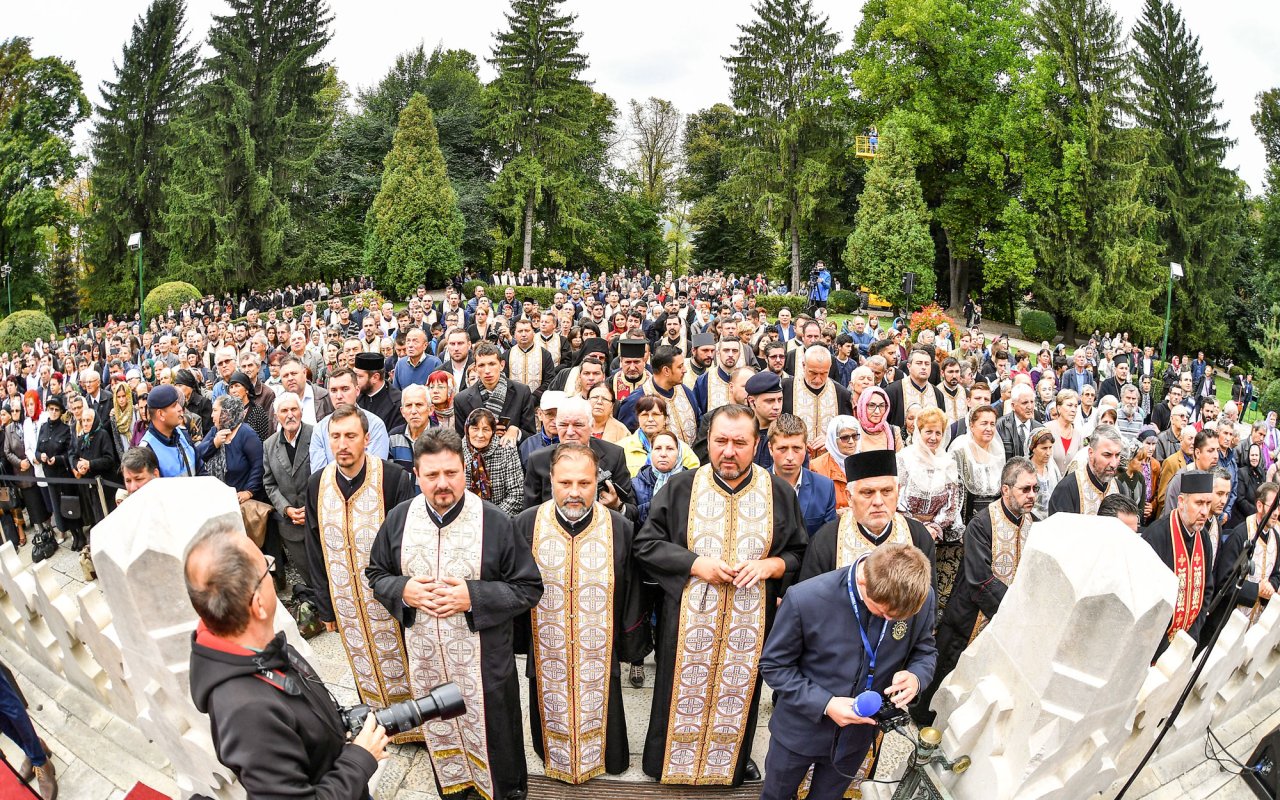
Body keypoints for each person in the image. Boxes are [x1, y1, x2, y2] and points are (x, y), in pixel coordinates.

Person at [634, 404, 808, 786]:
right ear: (707, 441)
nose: (729, 452)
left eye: (739, 443)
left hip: (751, 620)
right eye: (720, 441)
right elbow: (646, 545)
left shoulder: (778, 491)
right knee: (676, 690)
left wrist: (771, 567)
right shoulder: (682, 488)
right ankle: (668, 760)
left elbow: (799, 553)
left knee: (740, 691)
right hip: (688, 619)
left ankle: (733, 761)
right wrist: (695, 564)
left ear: (757, 444)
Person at [365, 427, 542, 800]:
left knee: (498, 750)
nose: (442, 484)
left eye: (451, 473)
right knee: (442, 739)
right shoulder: (399, 519)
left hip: (486, 667)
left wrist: (473, 596)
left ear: (465, 470)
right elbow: (376, 574)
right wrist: (403, 589)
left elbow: (528, 588)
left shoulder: (494, 522)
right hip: (427, 661)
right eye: (431, 475)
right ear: (417, 476)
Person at [186, 519, 388, 798]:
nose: (272, 575)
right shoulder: (246, 713)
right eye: (268, 570)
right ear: (257, 604)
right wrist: (360, 758)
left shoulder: (258, 649)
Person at [759, 543, 936, 800]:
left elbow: (925, 651)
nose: (889, 620)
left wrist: (916, 678)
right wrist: (826, 703)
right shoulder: (804, 598)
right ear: (864, 582)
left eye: (898, 618)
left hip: (857, 738)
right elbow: (774, 666)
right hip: (799, 732)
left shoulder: (924, 596)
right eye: (883, 612)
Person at [512, 442, 644, 783]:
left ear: (596, 483)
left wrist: (629, 645)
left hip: (598, 647)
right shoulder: (527, 523)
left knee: (605, 713)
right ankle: (551, 754)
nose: (574, 492)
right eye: (565, 483)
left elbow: (631, 588)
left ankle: (605, 756)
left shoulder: (619, 527)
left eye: (584, 484)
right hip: (547, 645)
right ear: (551, 480)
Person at [304, 405, 417, 732]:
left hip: (391, 600)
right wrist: (325, 606)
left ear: (366, 439)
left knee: (405, 661)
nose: (342, 444)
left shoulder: (393, 478)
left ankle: (417, 726)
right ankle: (380, 723)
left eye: (350, 436)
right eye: (335, 437)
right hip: (346, 601)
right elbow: (314, 547)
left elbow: (407, 544)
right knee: (362, 661)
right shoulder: (317, 485)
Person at [922, 458, 1037, 716]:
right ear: (1006, 489)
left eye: (1035, 489)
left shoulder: (1032, 523)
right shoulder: (982, 524)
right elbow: (979, 580)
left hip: (1005, 620)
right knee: (950, 676)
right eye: (1025, 489)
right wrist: (1013, 609)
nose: (1032, 495)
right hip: (971, 617)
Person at [800, 448, 937, 583]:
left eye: (886, 491)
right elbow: (812, 600)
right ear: (849, 497)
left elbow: (928, 599)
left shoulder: (918, 536)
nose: (878, 502)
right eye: (867, 492)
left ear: (898, 492)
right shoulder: (825, 541)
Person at [262, 392, 321, 634]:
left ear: (301, 411)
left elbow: (324, 473)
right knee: (307, 571)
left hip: (316, 518)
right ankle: (318, 611)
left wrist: (310, 507)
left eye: (293, 410)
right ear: (276, 416)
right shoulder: (269, 445)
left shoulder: (316, 435)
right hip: (290, 523)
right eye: (284, 411)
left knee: (324, 568)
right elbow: (269, 483)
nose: (289, 415)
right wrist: (286, 509)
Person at [522, 397, 636, 521]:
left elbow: (632, 512)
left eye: (578, 425)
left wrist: (617, 506)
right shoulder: (538, 460)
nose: (570, 432)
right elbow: (529, 515)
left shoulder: (614, 455)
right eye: (563, 425)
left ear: (592, 425)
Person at [1143, 471, 1217, 655]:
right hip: (1154, 646)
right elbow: (1146, 598)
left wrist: (1191, 636)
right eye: (1199, 503)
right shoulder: (1157, 535)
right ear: (1182, 501)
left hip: (1186, 643)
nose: (1205, 512)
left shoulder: (1204, 538)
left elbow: (1206, 590)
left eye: (1208, 503)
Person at [1216, 482, 1280, 627]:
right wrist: (1257, 590)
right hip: (1230, 619)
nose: (1276, 513)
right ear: (1259, 506)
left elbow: (1276, 574)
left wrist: (1271, 586)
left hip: (1257, 619)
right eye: (1273, 507)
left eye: (1278, 507)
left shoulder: (1276, 537)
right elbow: (1224, 582)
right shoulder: (1240, 535)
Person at [452, 343, 536, 444]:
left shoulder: (521, 392)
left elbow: (531, 436)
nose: (487, 370)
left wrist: (516, 432)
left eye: (492, 364)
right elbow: (461, 441)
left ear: (502, 365)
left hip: (514, 456)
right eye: (481, 365)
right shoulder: (461, 399)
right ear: (476, 368)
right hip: (477, 457)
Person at [309, 368, 390, 472]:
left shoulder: (375, 425)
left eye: (345, 389)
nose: (339, 396)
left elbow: (376, 471)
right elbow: (319, 475)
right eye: (333, 390)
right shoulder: (320, 429)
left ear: (357, 391)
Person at [769, 414, 837, 537]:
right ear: (770, 448)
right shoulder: (757, 485)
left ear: (806, 448)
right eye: (782, 449)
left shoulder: (824, 488)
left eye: (796, 448)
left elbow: (828, 539)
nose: (790, 457)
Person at [782, 345, 854, 456]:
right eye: (813, 373)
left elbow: (848, 430)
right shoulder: (785, 388)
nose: (818, 379)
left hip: (828, 461)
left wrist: (831, 439)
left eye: (824, 373)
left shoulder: (841, 393)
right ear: (803, 365)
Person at [1047, 425, 1122, 515]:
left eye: (1117, 455)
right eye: (1107, 455)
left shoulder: (1119, 488)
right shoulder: (1067, 489)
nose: (1114, 464)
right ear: (1091, 453)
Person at [462, 408, 524, 516]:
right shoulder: (457, 452)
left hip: (501, 519)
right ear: (467, 429)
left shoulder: (506, 450)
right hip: (466, 518)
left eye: (486, 429)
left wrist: (493, 518)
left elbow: (517, 495)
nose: (480, 435)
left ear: (493, 431)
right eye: (475, 429)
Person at [950, 405, 1005, 524]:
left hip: (994, 519)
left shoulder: (998, 452)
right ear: (972, 426)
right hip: (967, 518)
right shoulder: (960, 450)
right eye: (984, 423)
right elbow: (953, 493)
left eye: (992, 424)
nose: (989, 428)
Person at [35, 395, 74, 543]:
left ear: (61, 412)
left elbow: (68, 452)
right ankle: (62, 531)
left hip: (62, 473)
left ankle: (74, 528)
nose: (53, 412)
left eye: (57, 410)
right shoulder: (43, 427)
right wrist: (41, 456)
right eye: (51, 409)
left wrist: (56, 459)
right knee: (55, 504)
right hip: (49, 473)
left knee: (67, 500)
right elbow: (37, 451)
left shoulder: (65, 429)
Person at [809, 416, 860, 513]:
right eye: (845, 437)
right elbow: (815, 507)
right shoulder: (816, 467)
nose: (851, 441)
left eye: (855, 436)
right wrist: (836, 513)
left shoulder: (866, 462)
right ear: (832, 439)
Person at [1028, 428, 1061, 521]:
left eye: (1050, 447)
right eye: (1044, 448)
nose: (1048, 453)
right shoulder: (1025, 469)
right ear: (1033, 448)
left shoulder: (1053, 469)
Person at [855, 386, 899, 452]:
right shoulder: (854, 431)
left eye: (881, 406)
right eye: (871, 405)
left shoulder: (894, 431)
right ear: (862, 406)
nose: (877, 411)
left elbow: (900, 460)